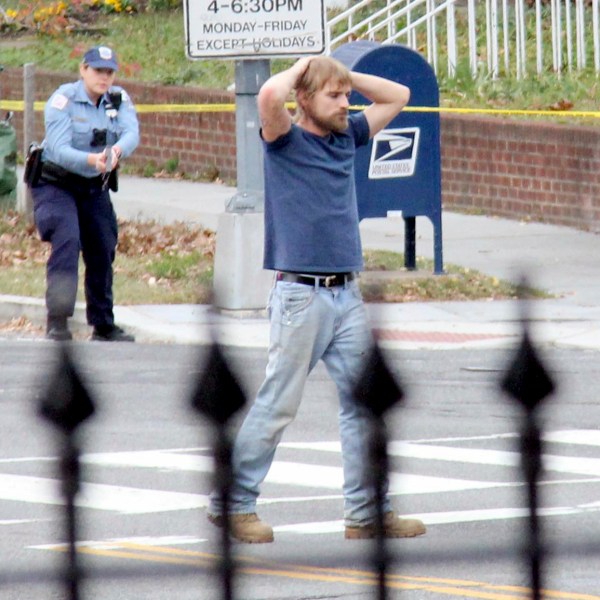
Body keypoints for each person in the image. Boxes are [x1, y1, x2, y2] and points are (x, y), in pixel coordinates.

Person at [207, 56, 426, 543]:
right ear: (303, 99)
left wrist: (342, 72)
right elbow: (267, 97)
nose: (346, 103)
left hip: (346, 294)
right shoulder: (284, 139)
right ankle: (233, 504)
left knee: (365, 403)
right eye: (334, 96)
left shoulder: (348, 134)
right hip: (299, 296)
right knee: (278, 404)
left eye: (346, 95)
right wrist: (304, 65)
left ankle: (367, 513)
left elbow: (399, 96)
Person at [29, 45, 140, 342]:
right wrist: (94, 160)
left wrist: (116, 151)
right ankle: (58, 321)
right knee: (67, 239)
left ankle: (103, 324)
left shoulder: (117, 99)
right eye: (97, 71)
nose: (104, 78)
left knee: (102, 244)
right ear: (83, 70)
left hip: (93, 185)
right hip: (56, 183)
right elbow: (60, 150)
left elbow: (132, 133)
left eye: (109, 72)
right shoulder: (63, 100)